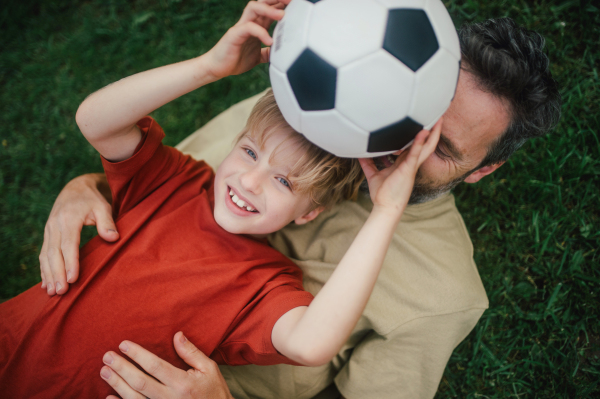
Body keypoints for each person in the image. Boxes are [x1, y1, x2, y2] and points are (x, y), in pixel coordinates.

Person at [39, 15, 561, 399]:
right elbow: (161, 186)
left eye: (439, 148)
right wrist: (86, 187)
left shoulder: (443, 296)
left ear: (482, 170)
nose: (402, 147)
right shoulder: (305, 120)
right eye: (413, 115)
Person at [0, 1, 442, 397]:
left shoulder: (263, 285)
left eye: (284, 182)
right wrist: (209, 67)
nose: (250, 181)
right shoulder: (176, 181)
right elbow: (95, 122)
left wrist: (385, 211)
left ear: (309, 213)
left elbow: (312, 343)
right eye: (249, 152)